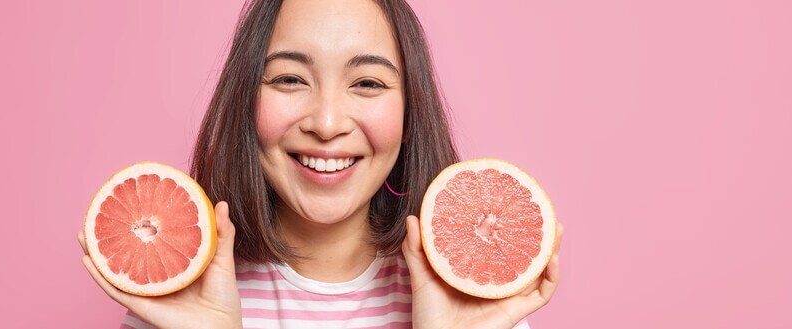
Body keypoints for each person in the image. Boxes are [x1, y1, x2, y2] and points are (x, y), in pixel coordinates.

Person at [79, 0, 564, 327]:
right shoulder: (182, 292)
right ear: (244, 98)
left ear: (411, 109)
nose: (328, 123)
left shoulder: (470, 299)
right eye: (289, 79)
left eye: (368, 83)